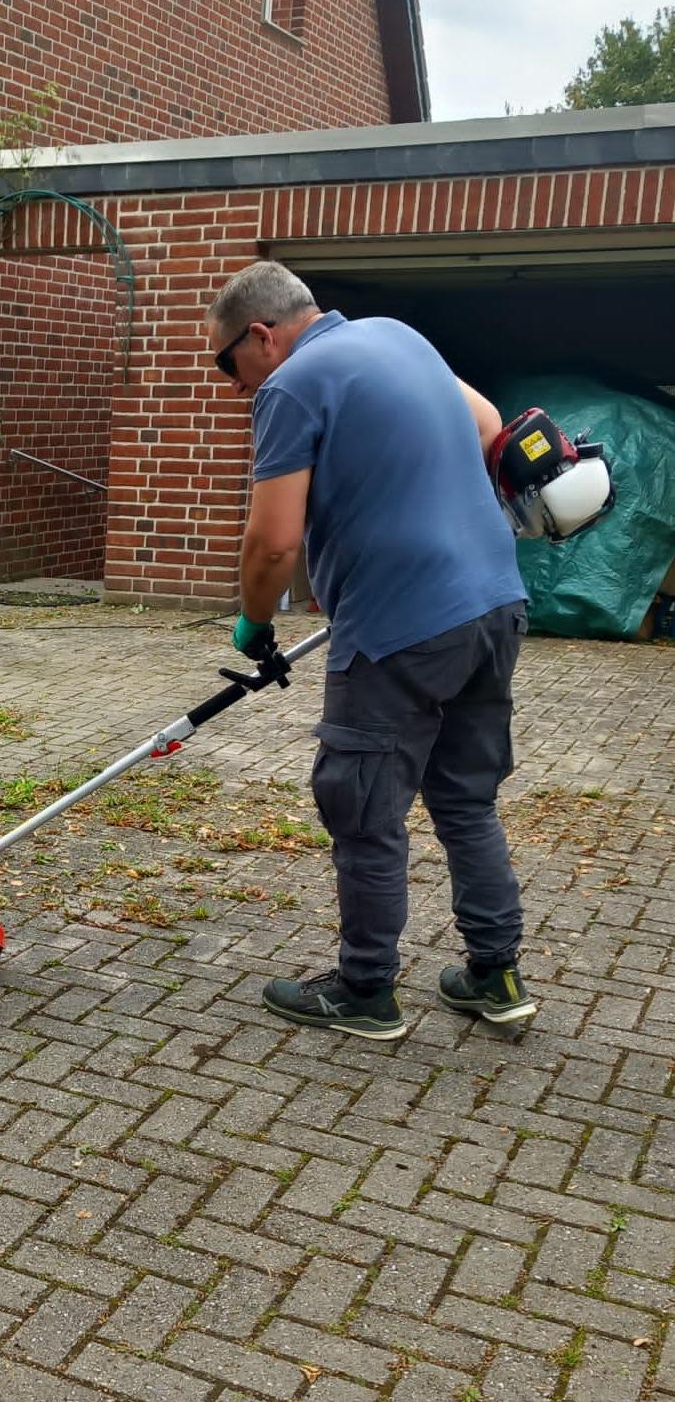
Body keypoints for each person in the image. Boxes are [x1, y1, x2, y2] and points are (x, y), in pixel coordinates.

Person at [206, 260, 534, 1041]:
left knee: (362, 807)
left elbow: (273, 543)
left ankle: (364, 988)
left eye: (227, 364)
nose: (231, 384)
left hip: (399, 627)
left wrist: (255, 622)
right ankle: (495, 974)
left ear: (261, 334)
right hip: (495, 603)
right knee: (464, 799)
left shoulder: (290, 385)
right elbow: (492, 427)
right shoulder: (400, 337)